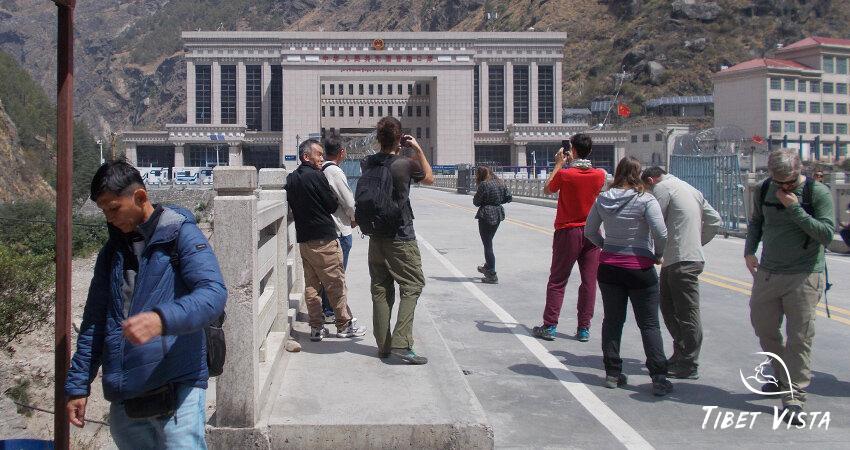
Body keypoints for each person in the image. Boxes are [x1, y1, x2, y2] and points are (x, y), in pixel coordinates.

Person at [65, 160, 227, 448]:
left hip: (177, 382)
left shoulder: (180, 234)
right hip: (127, 392)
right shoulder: (111, 252)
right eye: (104, 211)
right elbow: (94, 321)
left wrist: (161, 320)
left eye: (114, 208)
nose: (109, 218)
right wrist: (78, 385)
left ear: (140, 197)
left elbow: (213, 294)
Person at [745, 149, 834, 424]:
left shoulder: (816, 193)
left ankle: (794, 396)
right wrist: (750, 250)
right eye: (778, 180)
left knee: (800, 338)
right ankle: (782, 374)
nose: (784, 186)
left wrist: (794, 208)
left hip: (804, 275)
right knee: (764, 328)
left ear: (799, 171)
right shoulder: (763, 190)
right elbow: (756, 222)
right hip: (769, 273)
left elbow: (827, 235)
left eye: (789, 181)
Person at [585, 156, 673, 397]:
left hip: (610, 267)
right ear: (639, 174)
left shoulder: (602, 198)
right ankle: (658, 376)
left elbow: (589, 230)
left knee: (613, 321)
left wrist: (606, 246)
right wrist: (657, 254)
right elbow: (661, 232)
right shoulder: (646, 199)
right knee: (649, 323)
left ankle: (612, 373)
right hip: (640, 267)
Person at [361, 116, 434, 364]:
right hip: (401, 234)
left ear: (379, 138)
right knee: (412, 285)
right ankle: (402, 342)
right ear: (400, 139)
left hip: (376, 235)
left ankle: (384, 345)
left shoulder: (368, 162)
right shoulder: (405, 164)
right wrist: (418, 149)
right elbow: (429, 178)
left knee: (380, 288)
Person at [642, 167, 722, 380]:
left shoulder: (662, 188)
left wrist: (651, 251)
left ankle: (689, 362)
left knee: (686, 312)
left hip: (679, 259)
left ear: (651, 180)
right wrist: (696, 242)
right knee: (669, 308)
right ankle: (681, 353)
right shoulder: (690, 189)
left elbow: (654, 221)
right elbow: (715, 220)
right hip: (684, 256)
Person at [286, 139, 366, 341]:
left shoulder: (292, 179)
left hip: (304, 240)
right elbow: (331, 205)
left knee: (312, 287)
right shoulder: (317, 176)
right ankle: (344, 325)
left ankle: (316, 327)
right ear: (306, 157)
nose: (322, 159)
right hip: (324, 239)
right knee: (335, 283)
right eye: (318, 154)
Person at [532, 133, 606, 342]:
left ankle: (550, 325)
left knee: (558, 280)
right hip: (592, 232)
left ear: (571, 150)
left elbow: (548, 189)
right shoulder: (599, 175)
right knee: (589, 281)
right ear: (590, 151)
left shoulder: (566, 175)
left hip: (568, 230)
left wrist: (559, 164)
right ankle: (584, 328)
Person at [319, 133, 357, 324]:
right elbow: (349, 202)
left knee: (329, 273)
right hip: (340, 229)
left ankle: (327, 308)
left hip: (326, 228)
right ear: (341, 152)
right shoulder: (335, 172)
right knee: (337, 275)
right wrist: (354, 218)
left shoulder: (321, 169)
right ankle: (331, 310)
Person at [473, 165, 513, 284]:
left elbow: (476, 202)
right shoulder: (500, 182)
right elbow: (509, 197)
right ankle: (487, 266)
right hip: (498, 213)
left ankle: (492, 273)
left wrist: (487, 202)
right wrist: (497, 201)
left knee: (488, 245)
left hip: (486, 214)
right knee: (489, 241)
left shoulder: (484, 184)